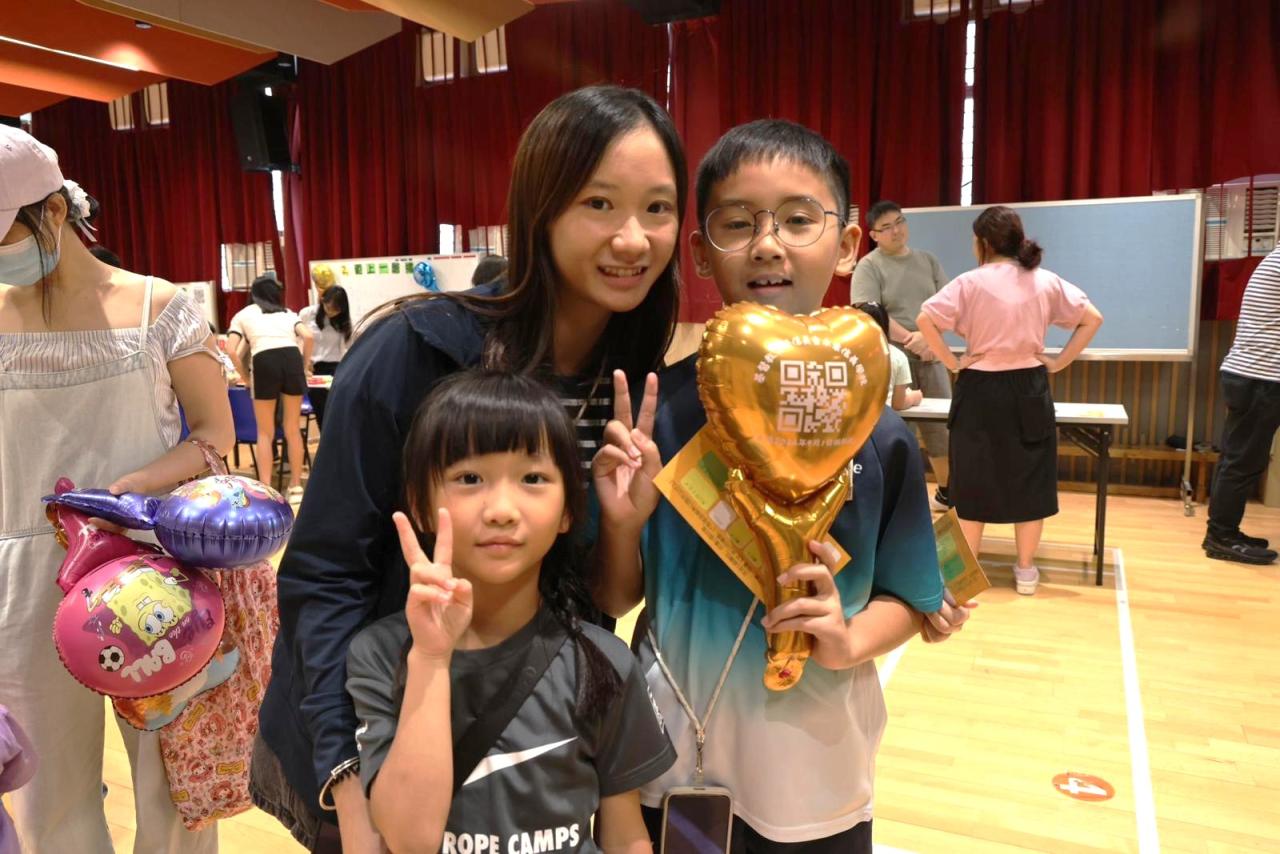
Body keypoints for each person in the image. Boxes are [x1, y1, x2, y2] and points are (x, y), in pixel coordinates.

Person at [253, 85, 686, 853]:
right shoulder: (417, 352)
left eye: (658, 208)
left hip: (522, 753)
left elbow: (599, 597)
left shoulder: (630, 377)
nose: (632, 238)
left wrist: (622, 528)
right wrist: (349, 789)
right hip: (382, 739)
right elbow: (326, 574)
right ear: (541, 209)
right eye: (599, 203)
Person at [591, 119, 966, 852]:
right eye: (738, 223)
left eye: (798, 220)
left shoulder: (878, 431)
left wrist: (848, 640)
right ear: (701, 252)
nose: (767, 244)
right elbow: (615, 596)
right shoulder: (659, 416)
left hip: (819, 775)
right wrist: (621, 524)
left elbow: (912, 596)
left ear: (848, 244)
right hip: (671, 763)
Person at [0, 125, 232, 853]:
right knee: (45, 797)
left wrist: (131, 487)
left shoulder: (158, 307)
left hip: (151, 570)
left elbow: (213, 435)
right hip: (23, 576)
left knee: (173, 787)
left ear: (55, 210)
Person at [346, 371, 673, 852]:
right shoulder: (383, 654)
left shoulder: (604, 662)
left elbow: (626, 837)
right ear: (420, 503)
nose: (501, 509)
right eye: (469, 478)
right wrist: (431, 658)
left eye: (533, 478)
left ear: (568, 510)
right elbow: (410, 839)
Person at [917, 205, 1103, 595]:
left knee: (971, 479)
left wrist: (952, 361)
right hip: (1029, 387)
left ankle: (966, 575)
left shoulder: (969, 283)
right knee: (1030, 477)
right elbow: (1093, 319)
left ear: (983, 243)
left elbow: (925, 320)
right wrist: (1059, 362)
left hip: (979, 388)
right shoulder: (1045, 280)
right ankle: (1026, 571)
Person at [851, 201, 952, 508]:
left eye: (899, 222)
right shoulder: (868, 266)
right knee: (894, 430)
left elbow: (949, 305)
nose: (896, 230)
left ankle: (947, 493)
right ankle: (896, 498)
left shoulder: (928, 260)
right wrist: (912, 338)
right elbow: (869, 312)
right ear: (874, 235)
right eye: (886, 227)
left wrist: (928, 338)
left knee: (942, 429)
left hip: (932, 355)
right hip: (891, 358)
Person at [1203, 245, 1280, 565]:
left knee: (1242, 459)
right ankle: (1221, 536)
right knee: (1242, 461)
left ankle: (1224, 531)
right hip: (1260, 377)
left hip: (1256, 376)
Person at [226, 275, 313, 501]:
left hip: (264, 360)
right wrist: (304, 366)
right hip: (291, 358)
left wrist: (246, 377)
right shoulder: (288, 313)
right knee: (292, 428)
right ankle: (296, 487)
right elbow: (308, 336)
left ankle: (265, 488)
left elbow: (231, 350)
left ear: (254, 294)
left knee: (265, 432)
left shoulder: (244, 314)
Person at [299, 285, 351, 429]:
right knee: (321, 410)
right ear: (323, 301)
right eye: (328, 307)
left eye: (336, 310)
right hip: (313, 368)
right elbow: (297, 338)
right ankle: (327, 439)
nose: (331, 312)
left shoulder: (344, 321)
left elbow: (348, 346)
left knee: (337, 410)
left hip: (335, 368)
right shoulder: (307, 314)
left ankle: (336, 439)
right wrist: (304, 360)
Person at [855, 300, 920, 411]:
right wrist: (915, 397)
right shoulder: (897, 356)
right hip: (882, 417)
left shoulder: (845, 353)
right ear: (886, 325)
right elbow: (898, 403)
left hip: (850, 418)